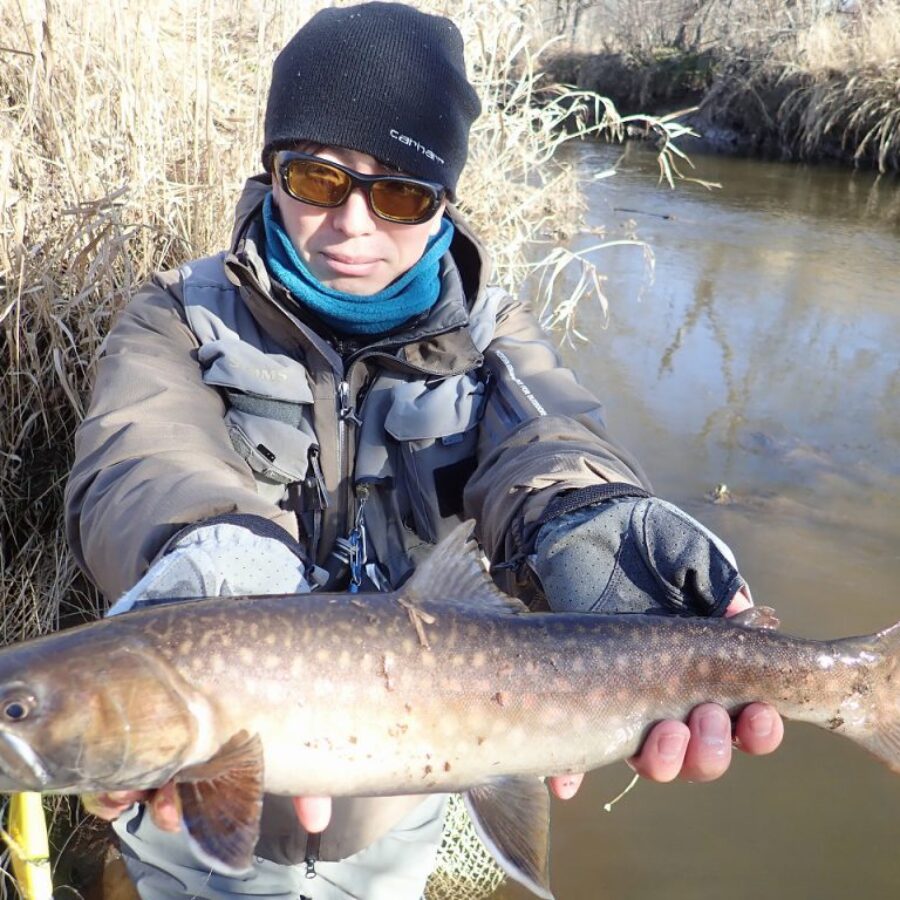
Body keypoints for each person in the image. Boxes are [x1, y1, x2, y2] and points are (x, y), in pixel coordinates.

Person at [64, 3, 783, 898]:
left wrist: (600, 522)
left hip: (412, 793)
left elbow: (546, 440)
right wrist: (210, 557)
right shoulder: (172, 316)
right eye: (318, 180)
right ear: (271, 170)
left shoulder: (494, 335)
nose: (353, 226)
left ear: (444, 201)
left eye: (400, 192)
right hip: (194, 794)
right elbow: (141, 458)